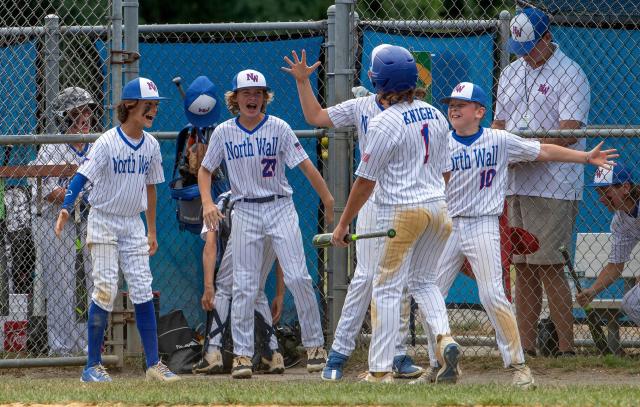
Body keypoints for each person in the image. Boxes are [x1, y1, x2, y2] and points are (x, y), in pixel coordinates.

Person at [418, 82, 615, 388]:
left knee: (493, 295)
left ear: (479, 112)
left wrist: (585, 157)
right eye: (451, 104)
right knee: (430, 294)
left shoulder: (499, 140)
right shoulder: (442, 141)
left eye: (462, 104)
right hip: (448, 224)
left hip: (483, 223)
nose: (453, 109)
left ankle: (519, 366)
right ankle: (438, 365)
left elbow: (544, 150)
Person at [282, 47, 423, 381]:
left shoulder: (418, 112)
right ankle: (338, 355)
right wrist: (304, 82)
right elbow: (315, 118)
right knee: (365, 279)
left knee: (397, 282)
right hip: (373, 201)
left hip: (404, 201)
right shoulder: (362, 106)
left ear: (378, 79)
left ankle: (397, 353)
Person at [330, 45, 459, 383]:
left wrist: (343, 224)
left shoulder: (385, 121)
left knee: (386, 288)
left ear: (379, 82)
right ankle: (445, 338)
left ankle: (380, 370)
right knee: (424, 282)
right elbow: (446, 172)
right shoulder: (434, 113)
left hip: (401, 212)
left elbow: (364, 183)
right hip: (439, 209)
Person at [197, 69, 334, 379]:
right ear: (235, 99)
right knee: (244, 286)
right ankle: (243, 356)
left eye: (258, 93)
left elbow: (306, 166)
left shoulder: (279, 128)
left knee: (299, 277)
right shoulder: (223, 132)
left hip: (279, 206)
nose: (252, 98)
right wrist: (207, 202)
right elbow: (205, 171)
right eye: (246, 93)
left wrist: (327, 199)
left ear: (265, 98)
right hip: (245, 210)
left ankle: (315, 346)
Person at [55, 77, 179, 382]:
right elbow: (81, 177)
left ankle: (153, 365)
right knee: (106, 289)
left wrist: (152, 230)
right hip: (104, 219)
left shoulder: (150, 145)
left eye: (155, 106)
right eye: (147, 105)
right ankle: (91, 367)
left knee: (142, 288)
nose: (153, 110)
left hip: (132, 224)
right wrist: (65, 208)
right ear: (128, 106)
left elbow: (151, 189)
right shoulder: (107, 141)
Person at [492, 7, 591, 357]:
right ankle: (527, 347)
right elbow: (499, 127)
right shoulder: (510, 72)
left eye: (531, 47)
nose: (525, 55)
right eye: (520, 49)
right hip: (515, 182)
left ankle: (566, 349)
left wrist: (525, 151)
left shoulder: (570, 73)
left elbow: (569, 132)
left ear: (547, 37)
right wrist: (507, 151)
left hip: (553, 183)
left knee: (549, 265)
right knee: (523, 267)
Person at [31, 87, 96, 356]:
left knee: (94, 281)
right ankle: (62, 346)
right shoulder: (53, 145)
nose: (84, 116)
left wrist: (79, 197)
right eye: (76, 112)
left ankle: (90, 343)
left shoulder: (96, 143)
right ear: (64, 117)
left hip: (89, 218)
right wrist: (76, 196)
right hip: (53, 221)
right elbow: (48, 190)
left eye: (87, 110)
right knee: (61, 283)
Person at [193, 190, 286, 374]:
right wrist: (280, 293)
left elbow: (210, 246)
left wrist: (208, 287)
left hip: (246, 225)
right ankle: (273, 355)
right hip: (274, 222)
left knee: (223, 288)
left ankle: (212, 353)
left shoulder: (221, 201)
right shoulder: (276, 193)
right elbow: (281, 252)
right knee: (257, 289)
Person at [576, 165, 640, 326]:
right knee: (631, 303)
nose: (601, 198)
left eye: (606, 191)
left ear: (625, 187)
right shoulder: (620, 222)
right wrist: (592, 291)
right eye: (598, 192)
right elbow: (615, 266)